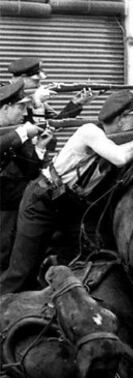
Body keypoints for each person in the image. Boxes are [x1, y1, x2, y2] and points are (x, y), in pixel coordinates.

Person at [0, 90, 133, 294]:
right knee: (21, 272)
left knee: (89, 256)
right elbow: (120, 158)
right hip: (42, 200)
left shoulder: (120, 140)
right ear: (121, 119)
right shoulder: (89, 131)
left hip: (69, 205)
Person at [0, 80, 55, 272]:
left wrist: (39, 147)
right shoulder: (17, 132)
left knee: (8, 252)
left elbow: (28, 172)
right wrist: (21, 134)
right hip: (4, 202)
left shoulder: (18, 130)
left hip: (11, 202)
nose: (25, 114)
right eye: (21, 108)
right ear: (6, 107)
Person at [7, 56, 95, 122]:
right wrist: (36, 102)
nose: (40, 84)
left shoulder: (32, 95)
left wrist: (76, 103)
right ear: (23, 78)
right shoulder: (4, 94)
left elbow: (55, 122)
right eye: (36, 81)